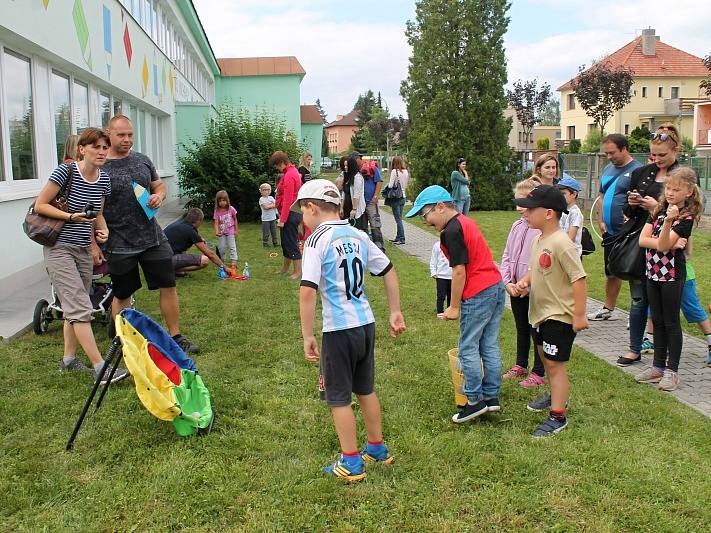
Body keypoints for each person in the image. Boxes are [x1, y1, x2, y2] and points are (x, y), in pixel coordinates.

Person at [297, 179, 406, 482]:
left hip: (338, 331)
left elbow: (307, 291)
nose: (302, 220)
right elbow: (388, 270)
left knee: (338, 398)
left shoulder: (317, 240)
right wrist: (395, 310)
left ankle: (352, 462)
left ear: (312, 207)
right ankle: (377, 448)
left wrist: (307, 335)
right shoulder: (358, 234)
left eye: (302, 213)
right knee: (366, 389)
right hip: (365, 325)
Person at [35, 128, 129, 384]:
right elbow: (40, 204)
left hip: (82, 250)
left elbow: (97, 212)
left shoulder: (103, 179)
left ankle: (68, 360)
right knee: (79, 306)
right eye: (95, 147)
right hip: (59, 248)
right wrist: (70, 217)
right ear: (82, 149)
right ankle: (101, 368)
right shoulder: (66, 172)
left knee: (73, 306)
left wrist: (103, 230)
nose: (101, 152)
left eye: (104, 147)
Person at [99, 115, 198, 354]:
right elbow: (96, 208)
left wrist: (160, 195)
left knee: (168, 285)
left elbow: (158, 185)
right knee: (123, 294)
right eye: (121, 135)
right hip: (119, 244)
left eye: (130, 135)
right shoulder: (100, 166)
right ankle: (121, 341)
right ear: (108, 133)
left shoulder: (142, 160)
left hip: (153, 238)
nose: (127, 139)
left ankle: (175, 336)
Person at [406, 186, 505, 423]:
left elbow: (459, 271)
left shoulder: (451, 231)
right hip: (495, 287)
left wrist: (455, 306)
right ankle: (491, 397)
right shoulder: (465, 222)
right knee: (489, 344)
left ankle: (474, 401)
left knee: (468, 347)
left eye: (425, 214)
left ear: (440, 207)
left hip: (478, 292)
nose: (425, 221)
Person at [514, 185, 588, 438]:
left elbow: (579, 278)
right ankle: (556, 396)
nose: (524, 213)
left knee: (555, 366)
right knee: (545, 360)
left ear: (548, 213)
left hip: (560, 316)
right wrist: (525, 282)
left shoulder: (561, 243)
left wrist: (579, 315)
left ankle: (558, 416)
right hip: (539, 315)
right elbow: (537, 270)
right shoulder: (538, 239)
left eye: (530, 209)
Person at [615, 123, 680, 366]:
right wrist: (633, 203)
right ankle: (635, 348)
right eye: (654, 154)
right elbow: (627, 211)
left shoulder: (683, 176)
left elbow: (689, 212)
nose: (657, 159)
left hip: (668, 245)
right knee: (638, 299)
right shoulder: (642, 173)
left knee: (666, 305)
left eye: (663, 155)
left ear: (676, 150)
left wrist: (656, 207)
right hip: (640, 244)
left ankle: (666, 359)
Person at [635, 167, 703, 391]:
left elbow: (663, 245)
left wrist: (666, 228)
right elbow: (643, 241)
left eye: (677, 189)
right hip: (652, 271)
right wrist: (668, 242)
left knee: (671, 322)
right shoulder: (659, 208)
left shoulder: (686, 218)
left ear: (690, 191)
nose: (671, 193)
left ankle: (672, 370)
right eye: (668, 188)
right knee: (657, 319)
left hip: (672, 275)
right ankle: (657, 366)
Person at [587, 134, 643, 321]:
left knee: (633, 271)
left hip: (631, 232)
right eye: (606, 153)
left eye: (612, 152)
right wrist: (601, 221)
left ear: (624, 149)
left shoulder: (638, 171)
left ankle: (638, 313)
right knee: (611, 270)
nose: (609, 157)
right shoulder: (608, 169)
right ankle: (607, 308)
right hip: (609, 232)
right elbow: (601, 197)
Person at [501, 178, 545, 388]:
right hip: (514, 288)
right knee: (521, 327)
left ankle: (539, 371)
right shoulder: (516, 226)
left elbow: (541, 264)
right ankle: (521, 364)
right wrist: (508, 282)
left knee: (536, 329)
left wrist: (527, 285)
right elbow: (507, 256)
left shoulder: (541, 230)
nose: (519, 205)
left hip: (534, 291)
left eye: (523, 199)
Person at [271, 150, 303, 279]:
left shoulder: (290, 175)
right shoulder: (289, 172)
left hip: (291, 213)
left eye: (277, 166)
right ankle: (285, 269)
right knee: (285, 242)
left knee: (291, 242)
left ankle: (297, 272)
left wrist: (282, 219)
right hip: (289, 213)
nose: (277, 169)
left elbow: (288, 200)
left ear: (282, 162)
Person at [164, 208, 224, 275]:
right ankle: (172, 270)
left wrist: (199, 238)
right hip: (166, 260)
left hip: (158, 258)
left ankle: (174, 270)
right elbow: (210, 254)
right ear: (199, 221)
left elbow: (186, 235)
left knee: (183, 249)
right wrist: (225, 268)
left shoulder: (180, 223)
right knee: (204, 260)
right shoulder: (191, 231)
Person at [353, 152, 385, 250]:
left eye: (356, 160)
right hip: (361, 203)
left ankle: (379, 247)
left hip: (370, 201)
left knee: (375, 224)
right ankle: (366, 248)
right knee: (363, 227)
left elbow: (379, 181)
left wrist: (375, 196)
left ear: (359, 158)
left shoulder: (371, 167)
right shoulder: (355, 171)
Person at [557, 176, 584, 257]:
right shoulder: (561, 210)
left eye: (563, 194)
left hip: (571, 255)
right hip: (561, 251)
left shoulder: (575, 213)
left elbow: (571, 237)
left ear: (574, 194)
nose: (560, 197)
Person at [213, 190, 239, 269]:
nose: (222, 202)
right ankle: (222, 261)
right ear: (217, 202)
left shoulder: (231, 209)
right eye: (220, 201)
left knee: (232, 246)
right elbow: (216, 222)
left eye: (224, 200)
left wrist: (236, 230)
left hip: (230, 231)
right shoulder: (217, 211)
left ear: (227, 200)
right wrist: (217, 231)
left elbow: (235, 219)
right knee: (222, 247)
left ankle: (234, 261)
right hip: (222, 233)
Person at [387, 156, 409, 245]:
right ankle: (398, 236)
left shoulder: (394, 171)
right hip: (403, 196)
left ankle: (402, 238)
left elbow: (390, 185)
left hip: (396, 197)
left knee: (398, 219)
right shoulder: (406, 172)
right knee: (399, 218)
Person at [430, 241, 452, 318]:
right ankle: (440, 311)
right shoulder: (437, 245)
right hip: (441, 276)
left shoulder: (456, 244)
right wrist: (433, 272)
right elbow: (433, 260)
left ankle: (450, 310)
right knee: (441, 295)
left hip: (453, 276)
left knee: (451, 295)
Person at [345, 154, 365, 225]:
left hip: (356, 209)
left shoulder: (357, 177)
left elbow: (356, 194)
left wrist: (354, 209)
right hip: (349, 207)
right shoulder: (350, 177)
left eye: (347, 166)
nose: (345, 167)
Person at [259, 183, 279, 248]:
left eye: (268, 190)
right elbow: (266, 207)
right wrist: (272, 205)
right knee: (266, 232)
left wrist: (271, 205)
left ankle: (275, 243)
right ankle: (265, 243)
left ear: (270, 190)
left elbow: (277, 204)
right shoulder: (261, 199)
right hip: (265, 219)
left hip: (273, 218)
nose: (266, 191)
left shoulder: (271, 197)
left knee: (274, 232)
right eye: (264, 190)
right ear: (261, 191)